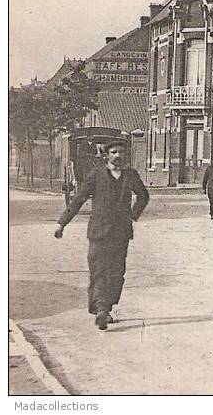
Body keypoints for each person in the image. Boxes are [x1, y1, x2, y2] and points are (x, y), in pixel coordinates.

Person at [53, 138, 149, 330]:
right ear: (107, 155)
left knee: (116, 273)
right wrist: (62, 223)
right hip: (98, 232)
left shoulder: (130, 175)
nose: (118, 156)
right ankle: (101, 309)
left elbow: (143, 196)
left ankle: (106, 307)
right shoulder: (96, 175)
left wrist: (132, 215)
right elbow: (79, 199)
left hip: (120, 233)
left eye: (121, 152)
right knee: (98, 271)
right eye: (114, 152)